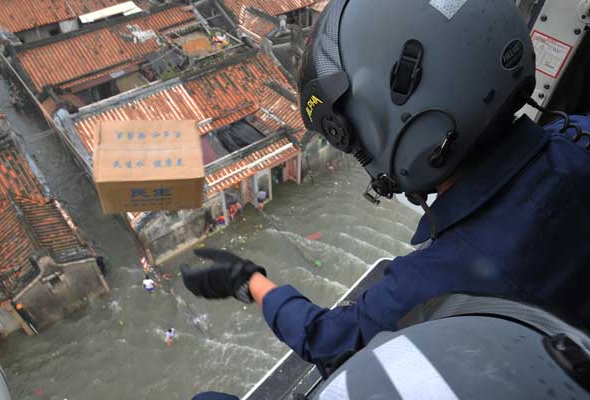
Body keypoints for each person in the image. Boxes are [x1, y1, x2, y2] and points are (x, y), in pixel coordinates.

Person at [182, 0, 590, 397]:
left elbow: (327, 341)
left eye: (353, 138)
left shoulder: (440, 276)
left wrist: (249, 280)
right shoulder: (578, 136)